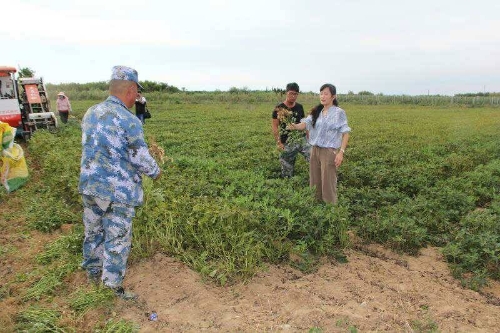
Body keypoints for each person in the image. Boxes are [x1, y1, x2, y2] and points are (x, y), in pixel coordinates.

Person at [78, 66, 161, 300]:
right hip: (117, 191)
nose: (136, 98)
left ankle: (93, 275)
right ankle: (111, 289)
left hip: (90, 187)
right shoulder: (129, 120)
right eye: (136, 93)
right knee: (117, 239)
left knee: (93, 232)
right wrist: (156, 172)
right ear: (131, 90)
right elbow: (139, 157)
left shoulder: (90, 113)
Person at [289, 83, 350, 204]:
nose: (322, 96)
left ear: (333, 96)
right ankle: (316, 205)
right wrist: (294, 126)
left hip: (329, 151)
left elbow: (346, 133)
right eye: (321, 93)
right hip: (315, 150)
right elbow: (305, 124)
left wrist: (341, 153)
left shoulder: (339, 113)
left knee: (328, 181)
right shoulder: (317, 111)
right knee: (315, 180)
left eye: (326, 94)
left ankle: (330, 208)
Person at [271, 82, 310, 178]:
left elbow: (304, 123)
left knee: (313, 157)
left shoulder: (300, 107)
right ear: (286, 93)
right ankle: (288, 183)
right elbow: (275, 127)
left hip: (301, 139)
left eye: (295, 94)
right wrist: (279, 143)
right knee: (287, 173)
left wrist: (309, 138)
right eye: (291, 93)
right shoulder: (279, 108)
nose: (293, 96)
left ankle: (317, 178)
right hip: (287, 141)